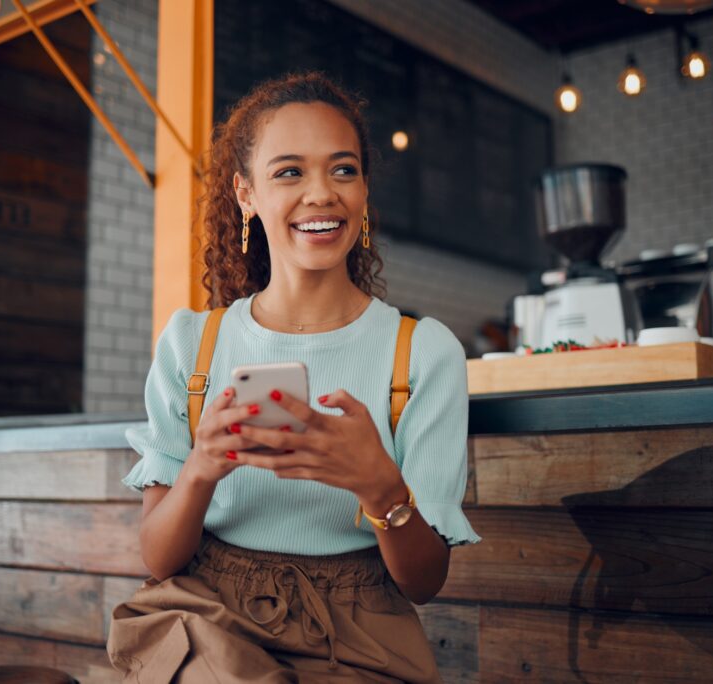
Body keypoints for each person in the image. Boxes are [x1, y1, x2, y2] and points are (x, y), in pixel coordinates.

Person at [107, 71, 480, 683]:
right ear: (245, 193)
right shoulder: (190, 345)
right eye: (289, 172)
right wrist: (201, 468)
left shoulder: (422, 353)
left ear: (364, 189)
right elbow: (159, 558)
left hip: (361, 640)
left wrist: (381, 488)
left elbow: (423, 583)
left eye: (343, 170)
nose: (322, 194)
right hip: (210, 621)